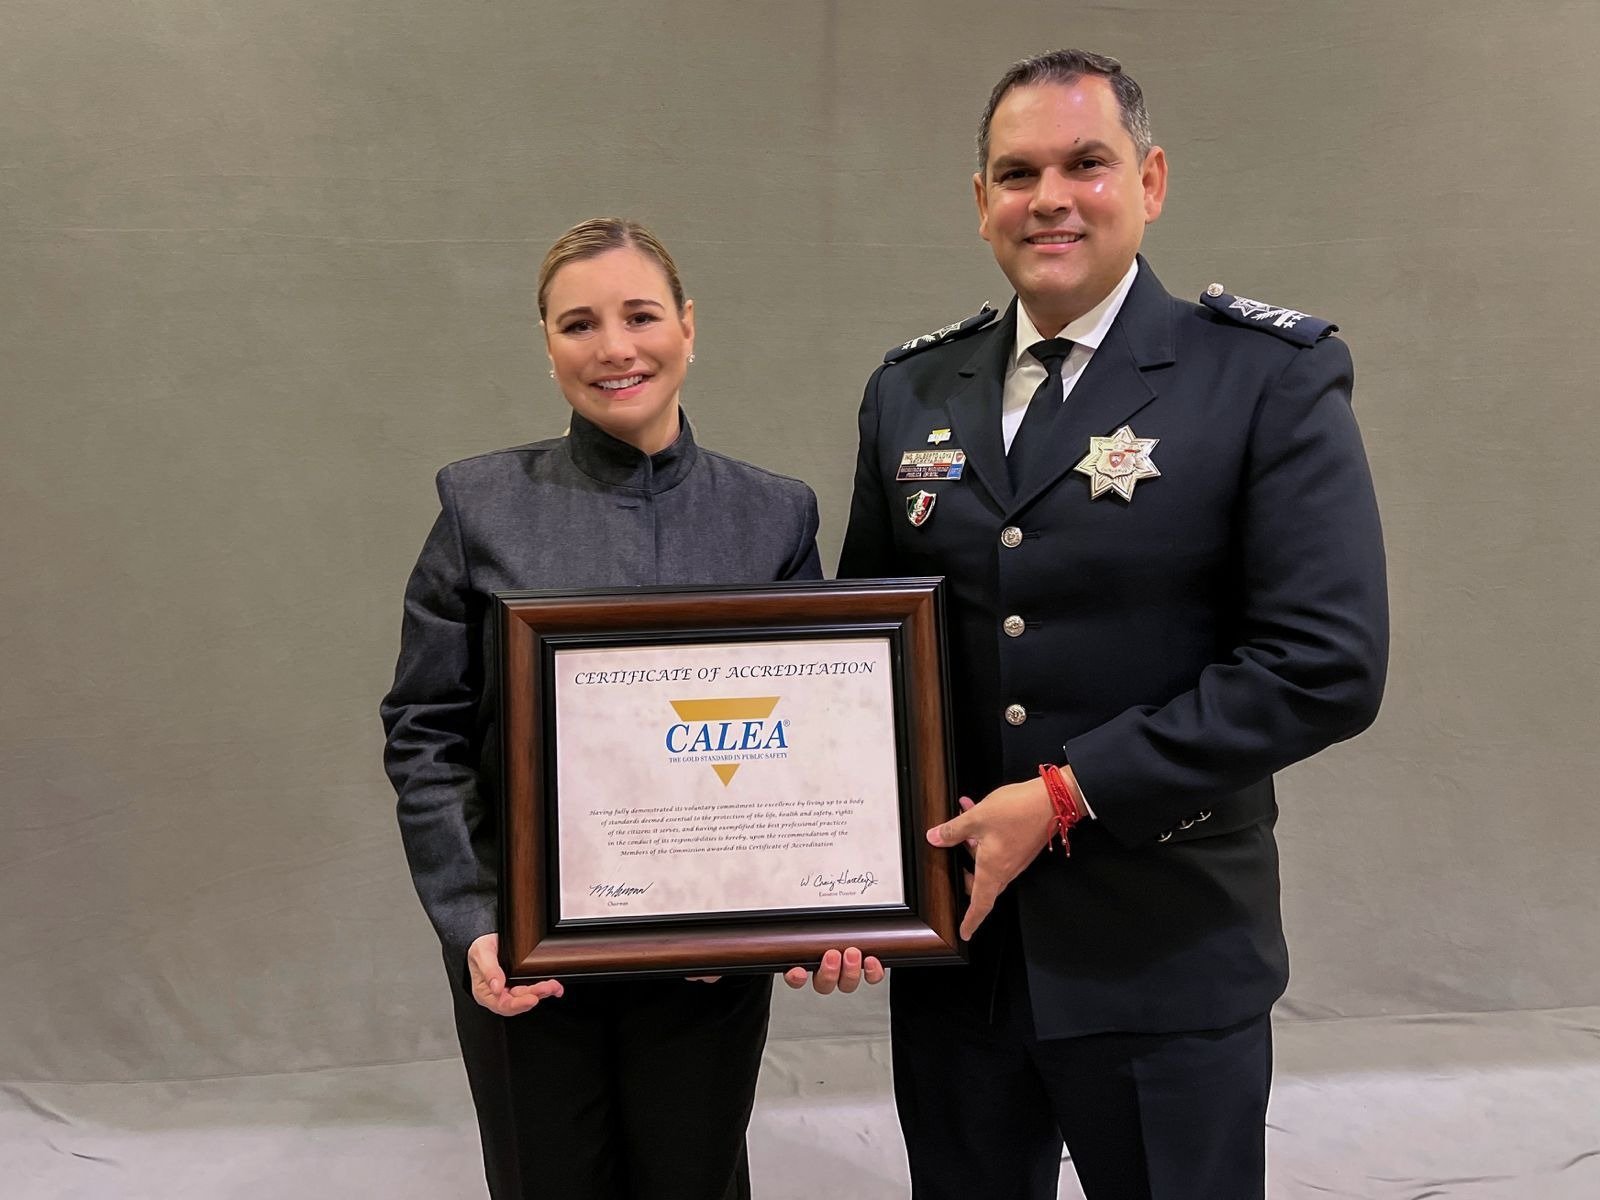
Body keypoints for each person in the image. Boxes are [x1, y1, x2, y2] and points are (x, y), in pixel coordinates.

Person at [837, 50, 1388, 1200]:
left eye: (1085, 164)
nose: (1050, 198)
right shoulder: (910, 393)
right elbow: (865, 673)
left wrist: (1069, 792)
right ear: (979, 199)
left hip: (1163, 951)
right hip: (961, 956)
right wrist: (832, 883)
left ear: (1150, 180)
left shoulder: (1261, 377)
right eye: (1016, 173)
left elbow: (1323, 664)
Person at [379, 217, 878, 1200]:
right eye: (579, 324)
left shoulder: (772, 515)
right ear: (547, 344)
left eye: (640, 316)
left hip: (707, 968)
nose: (614, 347)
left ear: (688, 327)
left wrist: (800, 909)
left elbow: (811, 742)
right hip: (525, 959)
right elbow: (425, 733)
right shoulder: (480, 507)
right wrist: (475, 920)